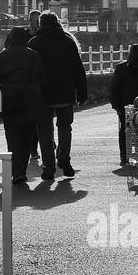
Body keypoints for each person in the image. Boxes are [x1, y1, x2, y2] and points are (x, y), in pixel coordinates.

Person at [28, 12, 87, 180]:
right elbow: (78, 68)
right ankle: (64, 160)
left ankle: (48, 167)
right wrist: (81, 92)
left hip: (43, 95)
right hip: (65, 93)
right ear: (57, 23)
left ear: (40, 24)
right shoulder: (68, 42)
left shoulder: (34, 43)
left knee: (44, 131)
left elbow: (30, 70)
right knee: (65, 127)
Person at [0, 27, 46, 183]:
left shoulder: (3, 56)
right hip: (30, 99)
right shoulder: (33, 55)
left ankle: (16, 171)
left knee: (13, 138)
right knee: (27, 137)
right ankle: (22, 170)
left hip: (9, 100)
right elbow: (41, 79)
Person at [110, 44, 138, 165]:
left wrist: (116, 106)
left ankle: (124, 157)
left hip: (126, 106)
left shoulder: (121, 68)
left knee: (125, 131)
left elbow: (115, 88)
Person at [26, 10, 43, 163]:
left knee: (41, 118)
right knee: (33, 119)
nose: (35, 22)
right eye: (33, 20)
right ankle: (33, 148)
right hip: (29, 80)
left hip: (40, 80)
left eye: (38, 20)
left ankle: (44, 142)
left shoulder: (43, 37)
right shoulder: (25, 35)